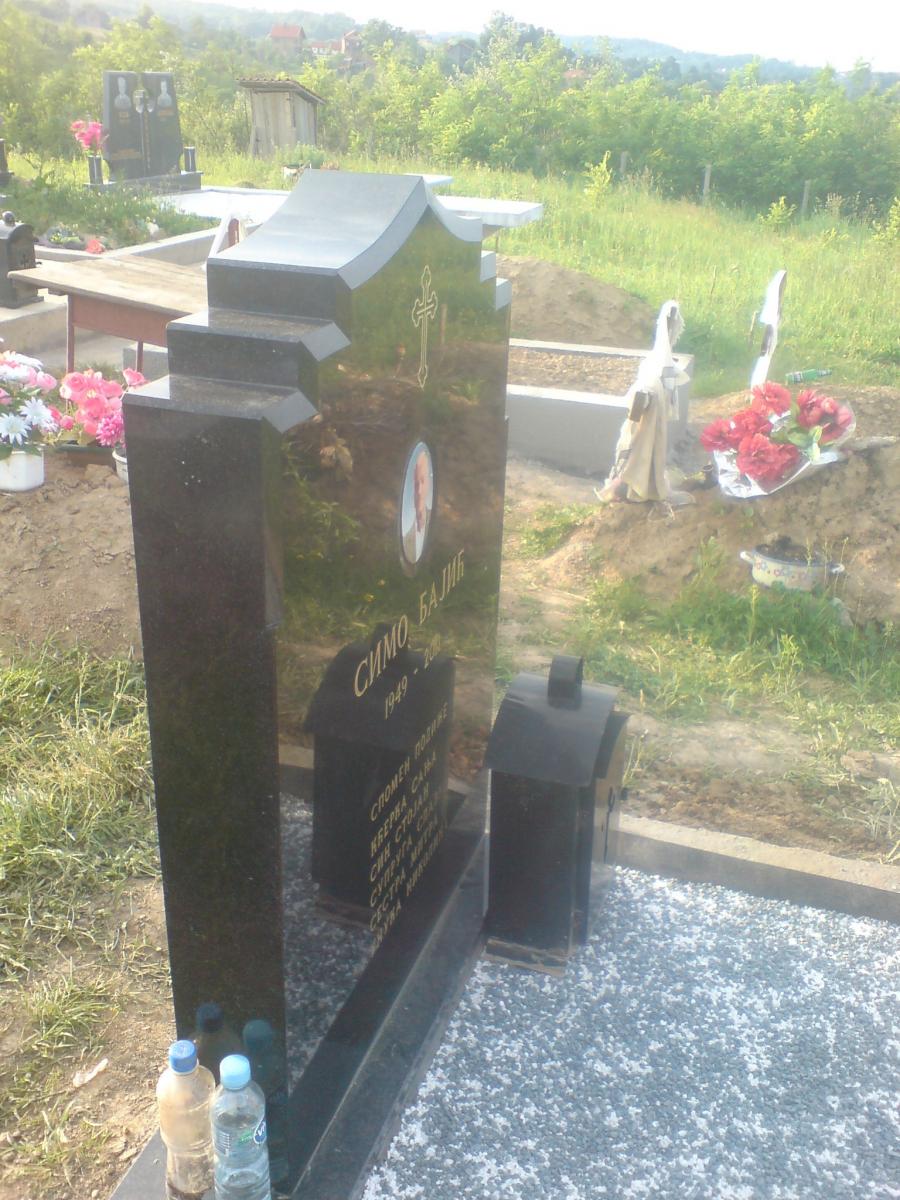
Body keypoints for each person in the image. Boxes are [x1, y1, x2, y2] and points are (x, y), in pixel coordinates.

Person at [594, 300, 693, 506]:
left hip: (655, 422)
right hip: (646, 421)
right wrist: (644, 403)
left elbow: (670, 398)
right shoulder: (655, 363)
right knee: (636, 456)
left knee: (649, 457)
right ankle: (628, 489)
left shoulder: (666, 364)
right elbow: (642, 396)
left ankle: (643, 488)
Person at [402, 444, 432, 564]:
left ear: (429, 482)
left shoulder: (436, 519)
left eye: (422, 481)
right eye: (416, 483)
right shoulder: (405, 537)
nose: (418, 491)